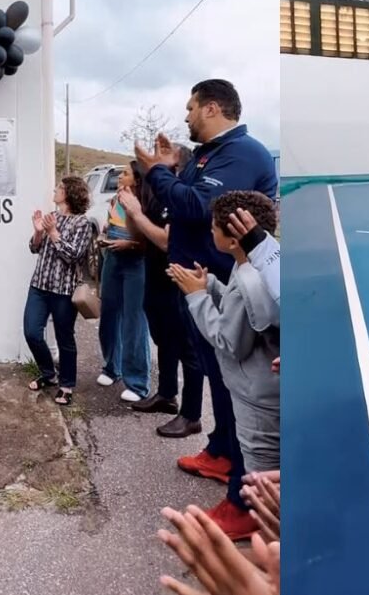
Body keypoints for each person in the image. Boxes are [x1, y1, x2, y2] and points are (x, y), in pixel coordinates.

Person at [136, 79, 278, 539]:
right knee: (220, 381)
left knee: (235, 387)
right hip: (203, 283)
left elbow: (196, 206)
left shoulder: (245, 154)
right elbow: (181, 201)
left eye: (191, 108)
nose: (186, 117)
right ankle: (220, 451)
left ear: (212, 108)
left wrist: (158, 171)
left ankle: (245, 497)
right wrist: (175, 165)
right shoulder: (207, 155)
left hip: (226, 293)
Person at [169, 191, 280, 485]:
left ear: (232, 241)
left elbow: (230, 342)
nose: (209, 231)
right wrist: (212, 285)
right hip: (269, 392)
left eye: (213, 228)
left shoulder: (246, 279)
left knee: (261, 476)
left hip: (257, 399)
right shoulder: (258, 264)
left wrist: (196, 297)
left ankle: (264, 523)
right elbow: (244, 312)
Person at [120, 146, 207, 437]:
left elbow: (166, 242)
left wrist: (136, 212)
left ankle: (191, 414)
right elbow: (139, 236)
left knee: (188, 347)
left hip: (178, 280)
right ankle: (167, 394)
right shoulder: (152, 196)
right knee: (164, 340)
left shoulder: (179, 195)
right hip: (154, 276)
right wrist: (131, 211)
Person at [24, 175, 96, 405]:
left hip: (64, 290)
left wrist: (54, 233)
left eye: (59, 188)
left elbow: (73, 255)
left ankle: (67, 385)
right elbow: (35, 249)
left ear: (69, 194)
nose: (54, 190)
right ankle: (48, 374)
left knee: (65, 338)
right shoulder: (51, 217)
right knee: (32, 332)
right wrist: (37, 232)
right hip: (39, 285)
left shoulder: (82, 223)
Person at [96, 161, 151, 403]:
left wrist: (130, 244)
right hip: (112, 257)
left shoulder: (146, 203)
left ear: (137, 180)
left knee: (134, 321)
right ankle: (112, 367)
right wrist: (103, 237)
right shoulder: (116, 199)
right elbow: (111, 226)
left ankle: (138, 382)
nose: (120, 177)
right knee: (108, 313)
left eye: (126, 173)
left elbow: (152, 238)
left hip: (135, 261)